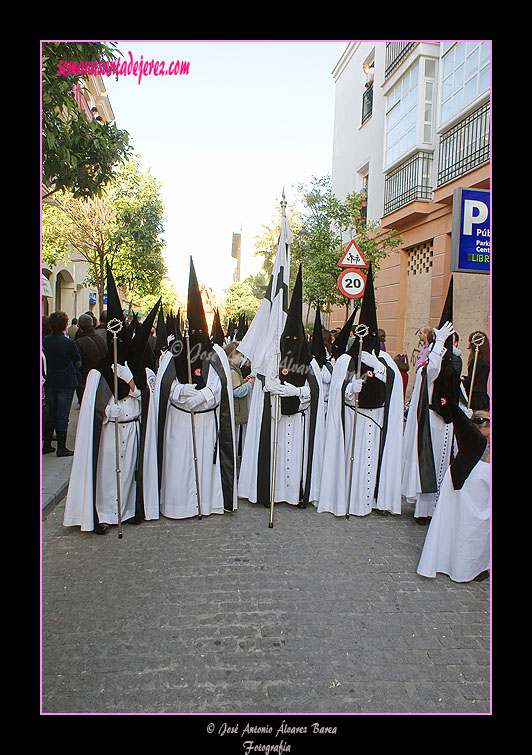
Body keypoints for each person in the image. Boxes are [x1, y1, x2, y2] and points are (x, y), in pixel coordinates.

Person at [63, 265, 161, 534]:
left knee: (128, 471)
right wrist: (107, 413)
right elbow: (93, 410)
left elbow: (145, 399)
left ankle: (128, 510)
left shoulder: (138, 371)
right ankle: (104, 514)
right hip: (110, 431)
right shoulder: (98, 374)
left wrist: (131, 383)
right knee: (107, 474)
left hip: (132, 428)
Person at [143, 258, 237, 520]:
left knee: (206, 464)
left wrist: (201, 397)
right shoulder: (173, 351)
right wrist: (186, 394)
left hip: (206, 422)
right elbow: (167, 386)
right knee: (178, 466)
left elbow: (218, 387)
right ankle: (177, 506)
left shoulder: (216, 351)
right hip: (180, 423)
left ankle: (207, 504)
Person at [317, 264, 403, 518]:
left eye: (374, 334)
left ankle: (371, 499)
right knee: (351, 458)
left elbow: (396, 389)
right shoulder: (345, 360)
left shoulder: (385, 361)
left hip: (376, 420)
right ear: (357, 334)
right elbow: (335, 391)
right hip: (352, 419)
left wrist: (379, 367)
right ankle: (346, 499)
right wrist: (347, 389)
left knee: (371, 460)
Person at [238, 266, 326, 510]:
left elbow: (315, 391)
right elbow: (261, 382)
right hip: (276, 418)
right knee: (275, 456)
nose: (291, 344)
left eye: (295, 340)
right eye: (287, 339)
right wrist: (270, 386)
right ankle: (273, 493)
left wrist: (295, 392)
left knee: (295, 457)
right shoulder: (274, 358)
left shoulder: (309, 363)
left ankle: (295, 494)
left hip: (297, 420)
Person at [402, 277, 469, 524]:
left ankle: (441, 508)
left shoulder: (452, 367)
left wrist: (465, 410)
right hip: (431, 421)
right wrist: (438, 343)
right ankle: (424, 510)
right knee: (428, 465)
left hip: (449, 423)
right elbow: (431, 372)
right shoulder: (427, 369)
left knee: (444, 466)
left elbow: (457, 391)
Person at [417, 405, 490, 583]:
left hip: (465, 487)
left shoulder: (470, 448)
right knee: (468, 530)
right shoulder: (477, 446)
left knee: (458, 528)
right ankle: (464, 568)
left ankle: (451, 563)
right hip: (470, 494)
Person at [42, 311, 81, 456]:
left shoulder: (45, 341)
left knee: (51, 412)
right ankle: (61, 447)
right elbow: (78, 363)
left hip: (50, 380)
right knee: (63, 414)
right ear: (65, 325)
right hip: (66, 381)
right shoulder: (69, 343)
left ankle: (47, 444)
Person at [224, 341, 255, 457]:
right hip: (235, 411)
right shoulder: (232, 370)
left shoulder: (232, 368)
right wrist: (249, 384)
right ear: (234, 355)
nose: (241, 358)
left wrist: (244, 381)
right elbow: (236, 392)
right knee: (233, 439)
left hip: (235, 410)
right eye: (240, 355)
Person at [74, 313, 108, 405]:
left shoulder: (79, 343)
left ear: (80, 327)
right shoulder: (101, 339)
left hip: (85, 379)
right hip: (101, 378)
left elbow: (77, 363)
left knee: (86, 408)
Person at [462, 331, 490, 411]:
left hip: (475, 397)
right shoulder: (486, 359)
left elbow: (472, 380)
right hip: (482, 396)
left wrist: (461, 381)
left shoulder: (477, 360)